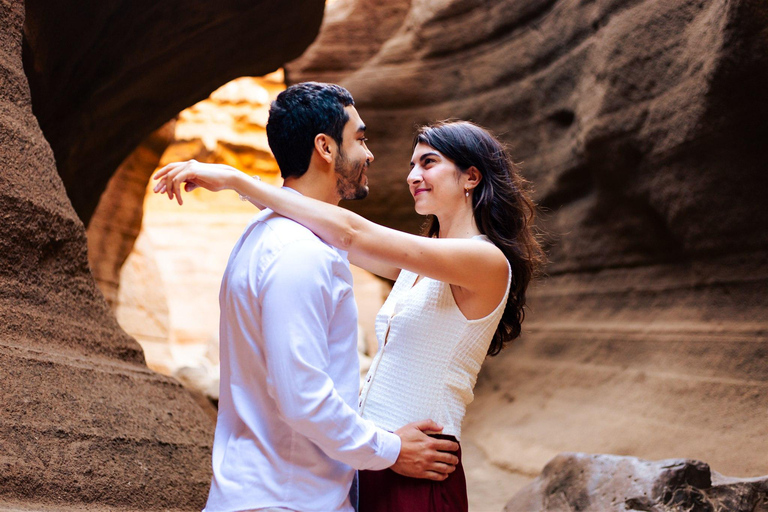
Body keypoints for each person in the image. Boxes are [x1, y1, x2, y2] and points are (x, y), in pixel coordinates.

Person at [155, 117, 545, 511]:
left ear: (471, 177)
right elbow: (326, 230)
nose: (413, 176)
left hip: (422, 464)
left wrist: (236, 179)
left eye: (427, 163)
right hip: (384, 457)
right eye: (412, 166)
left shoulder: (485, 259)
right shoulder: (422, 265)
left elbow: (350, 234)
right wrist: (248, 195)